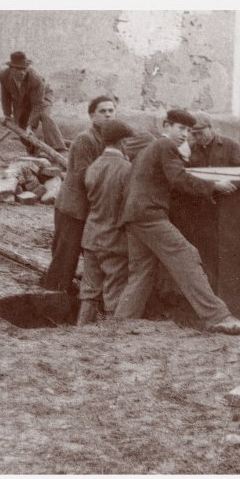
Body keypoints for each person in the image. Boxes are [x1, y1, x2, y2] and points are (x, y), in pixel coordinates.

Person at [114, 109, 240, 335]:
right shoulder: (166, 145)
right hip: (150, 215)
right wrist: (214, 186)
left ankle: (119, 323)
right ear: (166, 126)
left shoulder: (148, 149)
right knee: (187, 255)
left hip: (133, 216)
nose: (185, 135)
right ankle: (218, 317)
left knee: (142, 271)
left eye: (188, 131)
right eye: (180, 128)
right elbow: (179, 178)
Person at [41, 95, 117, 292]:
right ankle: (54, 296)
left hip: (91, 209)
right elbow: (85, 176)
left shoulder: (112, 141)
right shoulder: (85, 140)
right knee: (65, 257)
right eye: (103, 111)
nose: (108, 115)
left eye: (111, 111)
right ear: (92, 116)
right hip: (73, 209)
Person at [77, 120, 135, 325]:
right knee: (114, 291)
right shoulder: (127, 169)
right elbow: (129, 207)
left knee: (89, 291)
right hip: (114, 240)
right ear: (122, 142)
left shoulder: (93, 167)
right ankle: (110, 336)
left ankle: (79, 331)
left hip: (91, 237)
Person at [0, 51, 68, 153]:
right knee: (21, 126)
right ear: (11, 69)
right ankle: (35, 149)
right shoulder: (3, 75)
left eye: (24, 68)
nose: (22, 72)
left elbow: (38, 105)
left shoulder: (35, 78)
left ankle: (59, 148)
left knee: (44, 115)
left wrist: (31, 126)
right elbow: (5, 95)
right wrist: (7, 114)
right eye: (18, 69)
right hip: (23, 100)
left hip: (43, 96)